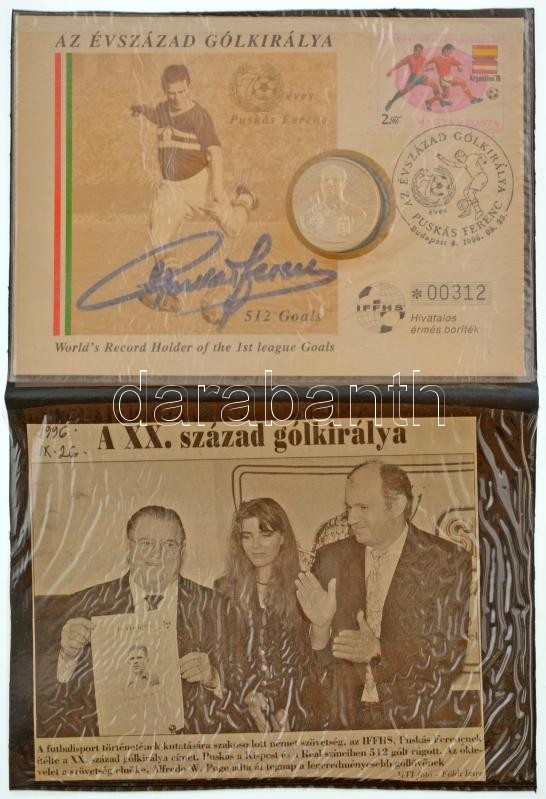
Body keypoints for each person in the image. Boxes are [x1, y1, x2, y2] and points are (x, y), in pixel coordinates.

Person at [295, 462, 478, 730]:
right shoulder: (330, 558)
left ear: (397, 505)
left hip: (415, 720)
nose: (351, 519)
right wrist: (320, 628)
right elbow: (310, 663)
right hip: (343, 721)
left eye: (363, 507)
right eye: (349, 507)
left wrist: (379, 649)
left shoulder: (446, 561)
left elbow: (449, 655)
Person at [34, 505, 221, 736]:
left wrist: (213, 678)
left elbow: (240, 691)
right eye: (146, 543)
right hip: (110, 748)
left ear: (182, 550)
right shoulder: (87, 604)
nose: (157, 555)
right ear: (129, 547)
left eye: (169, 545)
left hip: (188, 745)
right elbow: (49, 701)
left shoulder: (215, 607)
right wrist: (67, 657)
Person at [131, 64, 258, 313]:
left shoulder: (198, 116)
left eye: (181, 91)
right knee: (157, 232)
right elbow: (156, 116)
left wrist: (216, 187)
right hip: (171, 188)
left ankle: (245, 198)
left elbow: (215, 152)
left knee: (233, 228)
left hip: (200, 184)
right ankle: (170, 292)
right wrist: (142, 110)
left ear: (189, 87)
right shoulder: (163, 109)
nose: (177, 98)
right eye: (171, 93)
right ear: (164, 91)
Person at [215, 498, 325, 732]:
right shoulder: (224, 590)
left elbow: (313, 660)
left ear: (283, 538)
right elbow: (225, 658)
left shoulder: (304, 587)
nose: (255, 545)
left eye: (265, 534)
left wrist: (284, 708)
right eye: (247, 536)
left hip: (297, 712)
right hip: (242, 714)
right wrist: (248, 696)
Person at [299, 164, 367, 245]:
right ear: (321, 185)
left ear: (344, 185)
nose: (330, 184)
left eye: (335, 180)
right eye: (326, 180)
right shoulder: (309, 216)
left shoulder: (358, 214)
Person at [385, 44, 442, 112]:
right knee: (404, 91)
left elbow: (422, 69)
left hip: (421, 77)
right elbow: (400, 64)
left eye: (421, 52)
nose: (419, 53)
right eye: (418, 51)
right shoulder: (409, 57)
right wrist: (392, 70)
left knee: (435, 85)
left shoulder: (423, 58)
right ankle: (391, 102)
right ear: (414, 50)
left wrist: (429, 69)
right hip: (413, 78)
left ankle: (440, 101)